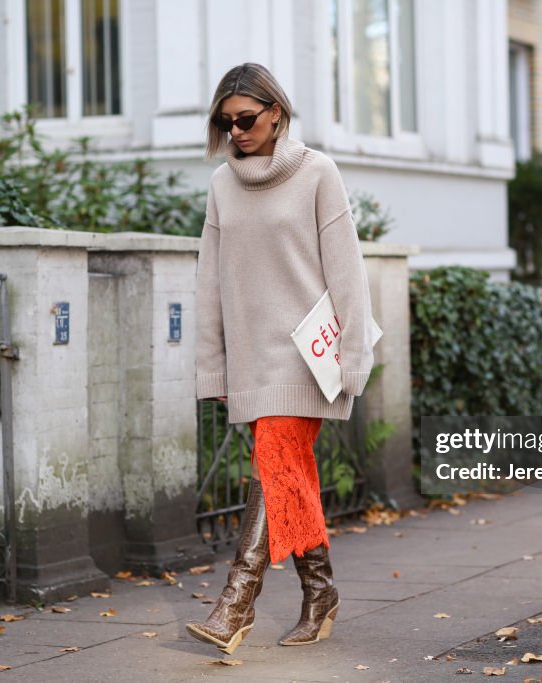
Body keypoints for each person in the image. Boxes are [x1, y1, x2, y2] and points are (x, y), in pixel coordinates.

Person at [185, 63, 375, 655]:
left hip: (306, 356)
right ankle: (320, 595)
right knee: (288, 474)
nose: (236, 131)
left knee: (274, 458)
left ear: (277, 112)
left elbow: (347, 271)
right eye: (226, 123)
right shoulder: (222, 185)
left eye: (246, 119)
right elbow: (209, 284)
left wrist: (353, 356)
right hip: (252, 357)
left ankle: (235, 602)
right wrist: (212, 367)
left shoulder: (319, 173)